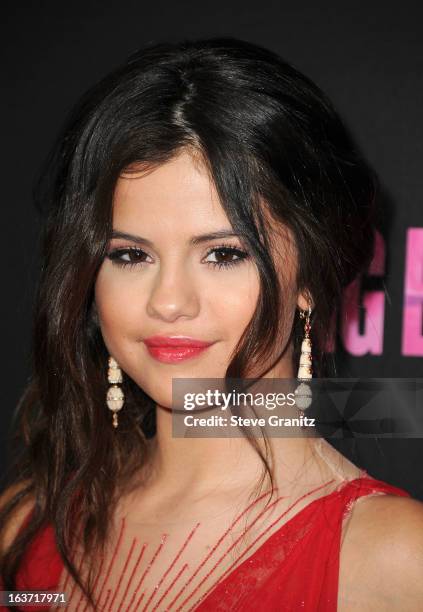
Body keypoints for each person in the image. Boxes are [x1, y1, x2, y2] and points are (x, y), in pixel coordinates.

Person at [1, 36, 422, 612]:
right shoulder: (29, 524)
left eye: (223, 254)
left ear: (309, 274)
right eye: (130, 255)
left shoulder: (394, 557)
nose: (168, 302)